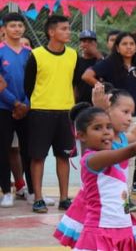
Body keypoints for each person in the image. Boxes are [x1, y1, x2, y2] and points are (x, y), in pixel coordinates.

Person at [55, 89, 136, 247]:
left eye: (131, 113)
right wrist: (100, 108)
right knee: (91, 242)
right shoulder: (101, 144)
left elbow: (135, 135)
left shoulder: (122, 138)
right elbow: (134, 147)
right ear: (109, 111)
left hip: (113, 206)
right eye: (125, 112)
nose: (129, 118)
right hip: (95, 206)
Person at [82, 32, 136, 197]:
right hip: (115, 114)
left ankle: (126, 196)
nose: (129, 47)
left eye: (132, 44)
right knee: (114, 152)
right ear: (117, 48)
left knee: (131, 156)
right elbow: (87, 75)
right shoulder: (109, 64)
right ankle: (109, 193)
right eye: (124, 44)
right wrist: (104, 88)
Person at [24, 14, 80, 213]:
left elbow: (74, 83)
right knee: (38, 157)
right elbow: (28, 86)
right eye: (63, 29)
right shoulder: (37, 54)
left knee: (63, 157)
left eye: (68, 28)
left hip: (65, 112)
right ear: (51, 32)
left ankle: (64, 198)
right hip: (41, 111)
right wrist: (39, 102)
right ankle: (38, 198)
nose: (68, 32)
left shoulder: (73, 55)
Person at [0, 12, 33, 207]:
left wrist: (26, 104)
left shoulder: (30, 52)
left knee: (29, 151)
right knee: (3, 150)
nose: (17, 29)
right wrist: (15, 103)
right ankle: (6, 191)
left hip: (27, 109)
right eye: (12, 25)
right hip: (4, 108)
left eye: (20, 25)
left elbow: (35, 81)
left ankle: (32, 191)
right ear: (4, 29)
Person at [74, 30, 103, 105]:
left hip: (99, 102)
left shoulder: (102, 59)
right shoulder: (77, 61)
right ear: (80, 44)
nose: (87, 44)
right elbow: (74, 85)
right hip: (81, 102)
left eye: (90, 41)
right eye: (84, 41)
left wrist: (97, 54)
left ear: (96, 44)